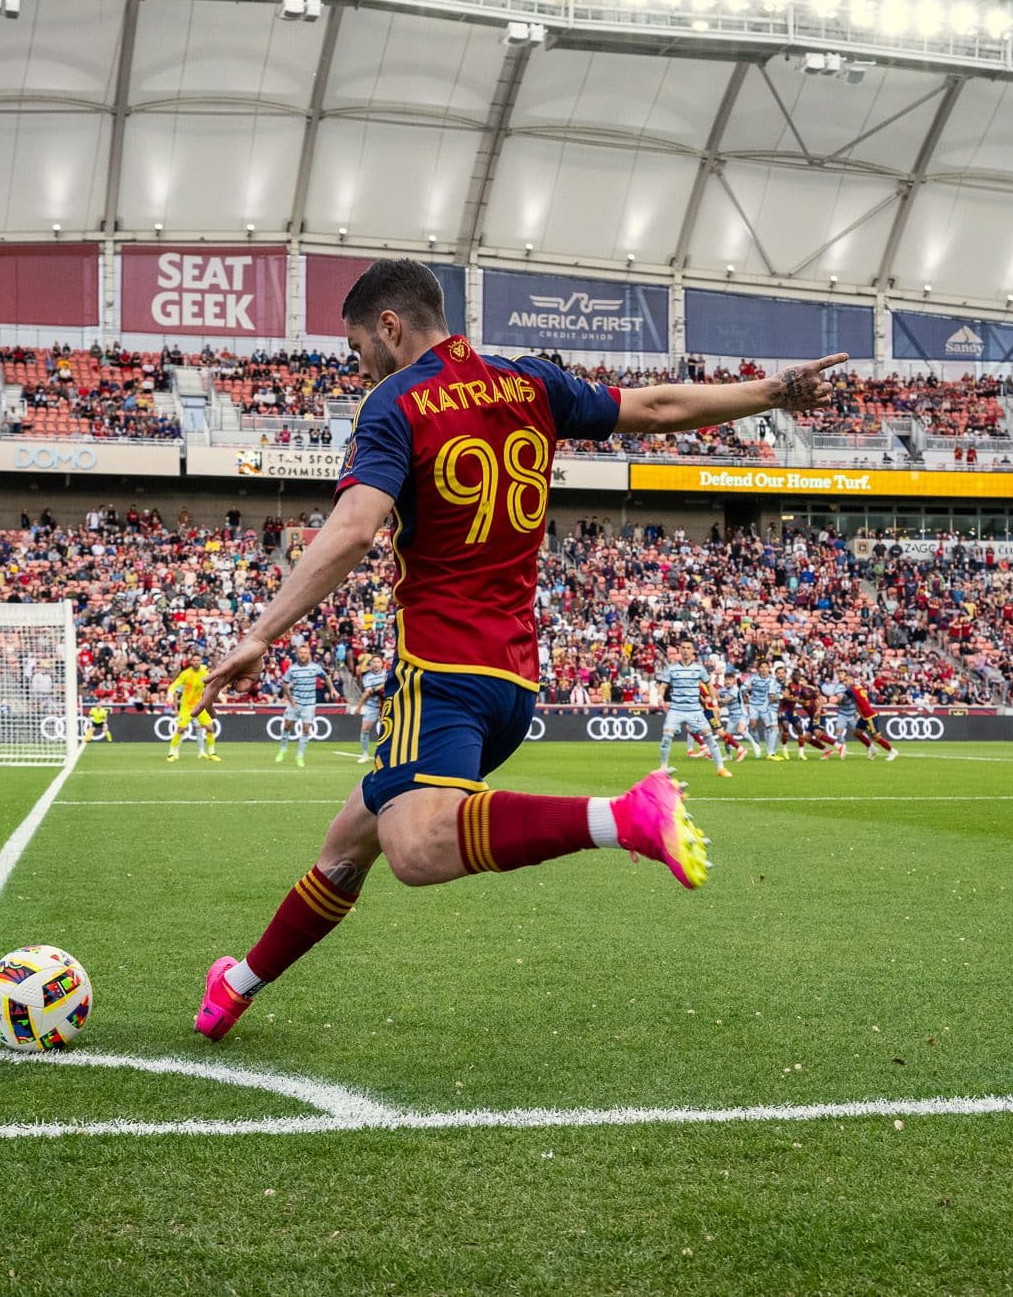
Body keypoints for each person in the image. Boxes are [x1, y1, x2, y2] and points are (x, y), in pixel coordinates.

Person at [190, 258, 847, 1040]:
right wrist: (774, 393)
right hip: (513, 678)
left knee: (417, 846)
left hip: (440, 670)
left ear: (391, 327)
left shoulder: (393, 402)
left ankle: (626, 816)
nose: (358, 361)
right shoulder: (527, 381)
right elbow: (657, 404)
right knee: (347, 845)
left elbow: (355, 527)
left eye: (359, 343)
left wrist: (261, 632)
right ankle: (235, 983)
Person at [657, 640, 729, 778]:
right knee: (667, 737)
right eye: (683, 647)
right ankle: (663, 768)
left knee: (708, 737)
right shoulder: (672, 669)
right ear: (680, 650)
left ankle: (721, 768)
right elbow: (663, 685)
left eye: (688, 648)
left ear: (693, 651)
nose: (685, 650)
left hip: (694, 710)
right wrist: (660, 697)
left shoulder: (699, 669)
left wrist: (714, 703)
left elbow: (709, 685)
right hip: (676, 709)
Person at [274, 646, 327, 767]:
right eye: (301, 653)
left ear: (309, 654)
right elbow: (284, 683)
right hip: (295, 702)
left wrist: (333, 689)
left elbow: (326, 677)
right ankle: (283, 749)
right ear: (297, 654)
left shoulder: (315, 667)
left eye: (305, 653)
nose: (303, 655)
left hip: (309, 704)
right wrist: (289, 698)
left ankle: (300, 755)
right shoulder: (292, 669)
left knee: (306, 729)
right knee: (287, 725)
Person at [165, 660, 220, 763]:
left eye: (198, 660)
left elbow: (212, 686)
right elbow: (175, 688)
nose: (196, 662)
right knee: (181, 729)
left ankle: (209, 753)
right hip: (186, 707)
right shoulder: (185, 675)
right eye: (194, 660)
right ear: (191, 662)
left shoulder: (204, 674)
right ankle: (172, 753)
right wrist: (171, 698)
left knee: (209, 728)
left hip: (199, 706)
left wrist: (220, 695)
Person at [846, 673, 897, 761]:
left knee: (876, 737)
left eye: (846, 680)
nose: (844, 683)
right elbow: (857, 701)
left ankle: (892, 751)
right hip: (864, 716)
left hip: (869, 716)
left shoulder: (851, 689)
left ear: (851, 680)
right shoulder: (857, 687)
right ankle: (872, 749)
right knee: (857, 733)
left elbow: (850, 699)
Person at [354, 654, 388, 761]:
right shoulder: (367, 677)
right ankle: (364, 754)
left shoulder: (387, 674)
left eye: (378, 662)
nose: (376, 664)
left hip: (386, 705)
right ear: (371, 665)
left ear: (382, 664)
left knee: (387, 730)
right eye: (374, 662)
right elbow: (369, 692)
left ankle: (385, 755)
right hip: (372, 705)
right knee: (364, 729)